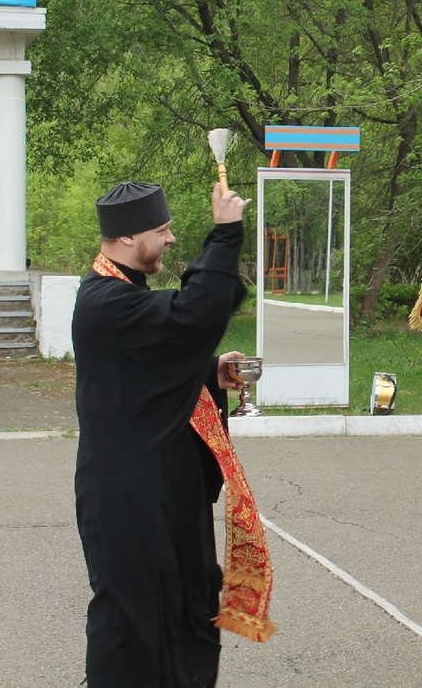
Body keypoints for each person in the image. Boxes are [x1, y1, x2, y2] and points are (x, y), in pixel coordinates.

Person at [73, 180, 274, 688]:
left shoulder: (125, 294)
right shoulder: (103, 301)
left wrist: (208, 373)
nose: (169, 239)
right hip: (126, 495)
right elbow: (189, 317)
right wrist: (225, 233)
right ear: (123, 239)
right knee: (133, 618)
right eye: (160, 230)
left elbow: (155, 361)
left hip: (162, 486)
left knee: (187, 599)